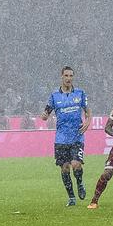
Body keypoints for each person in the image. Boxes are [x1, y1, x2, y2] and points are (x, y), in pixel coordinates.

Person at [41, 65, 91, 206]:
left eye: (71, 76)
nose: (69, 78)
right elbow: (46, 112)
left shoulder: (80, 93)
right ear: (62, 77)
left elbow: (87, 111)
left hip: (77, 135)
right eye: (66, 76)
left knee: (76, 164)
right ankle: (71, 197)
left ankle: (80, 183)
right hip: (61, 138)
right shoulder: (54, 96)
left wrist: (88, 121)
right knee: (64, 168)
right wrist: (44, 115)